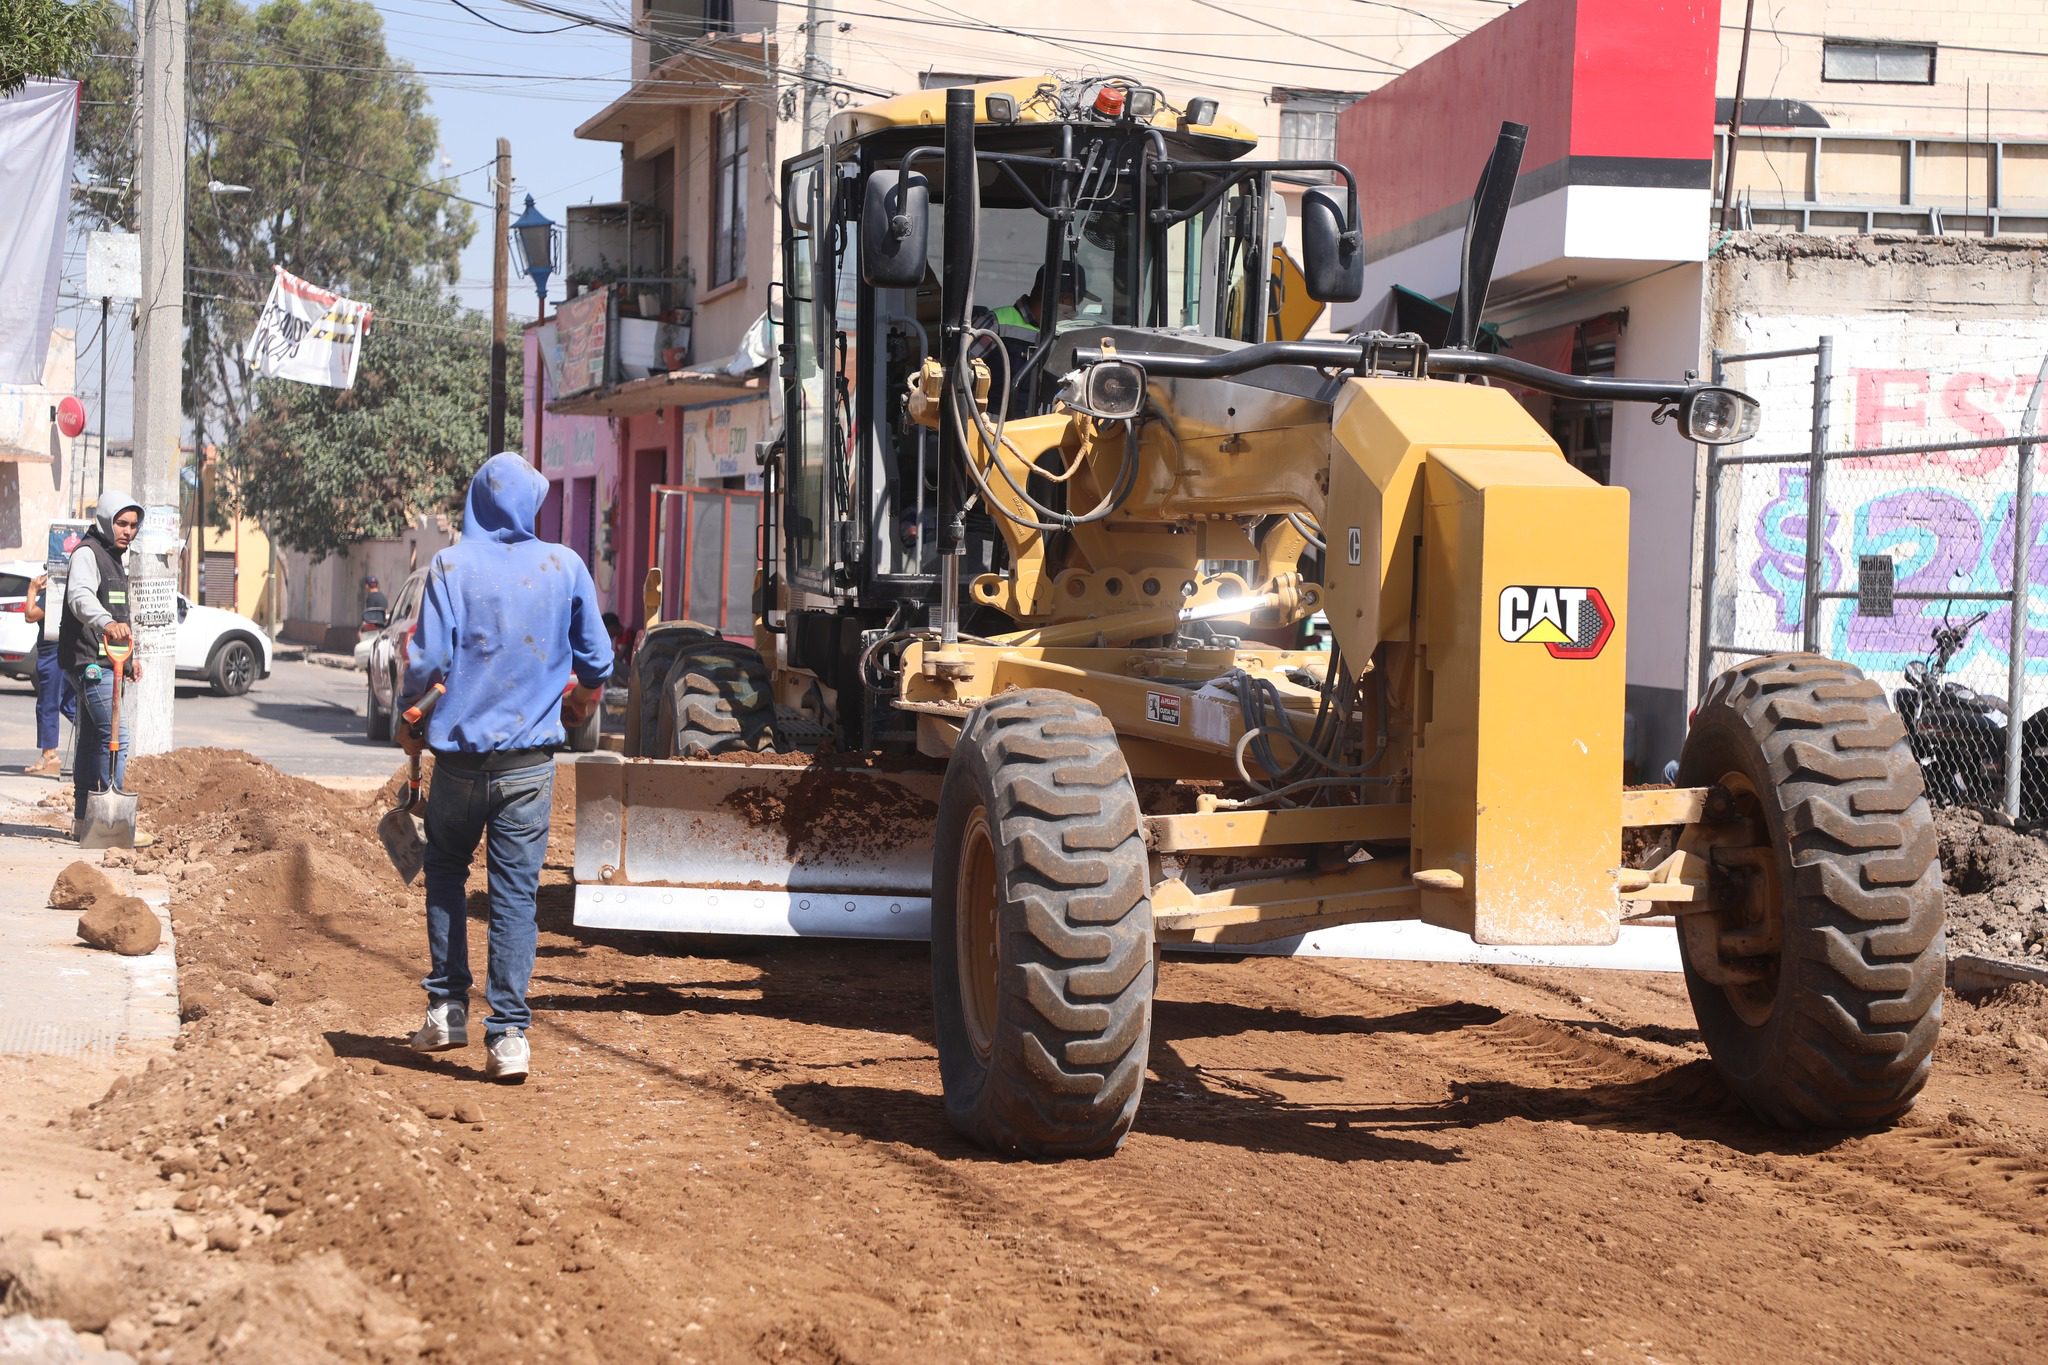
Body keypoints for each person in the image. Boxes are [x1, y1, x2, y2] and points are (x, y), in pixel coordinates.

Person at [399, 452, 612, 1084]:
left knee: (443, 871)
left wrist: (413, 710)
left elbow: (426, 659)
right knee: (514, 895)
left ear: (476, 504)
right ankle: (510, 1037)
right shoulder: (564, 565)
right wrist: (579, 697)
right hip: (530, 766)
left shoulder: (451, 565)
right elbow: (597, 662)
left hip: (460, 764)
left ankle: (446, 1010)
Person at [59, 491, 144, 840]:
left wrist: (131, 656)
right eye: (121, 523)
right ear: (106, 521)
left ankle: (84, 820)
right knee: (116, 738)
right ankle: (112, 824)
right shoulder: (87, 554)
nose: (127, 531)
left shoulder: (113, 557)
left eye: (133, 525)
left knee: (93, 740)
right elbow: (80, 598)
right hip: (89, 661)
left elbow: (119, 615)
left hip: (109, 659)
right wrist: (106, 622)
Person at [974, 262, 1087, 414]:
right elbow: (960, 373)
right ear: (1063, 299)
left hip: (1038, 428)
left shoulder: (1062, 335)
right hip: (992, 428)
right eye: (1074, 304)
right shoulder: (996, 324)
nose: (1074, 312)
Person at [21, 572, 76, 775]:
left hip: (52, 653)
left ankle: (49, 755)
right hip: (62, 650)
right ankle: (101, 739)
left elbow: (30, 614)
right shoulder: (68, 588)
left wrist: (32, 589)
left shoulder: (55, 592)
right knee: (69, 704)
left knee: (48, 704)